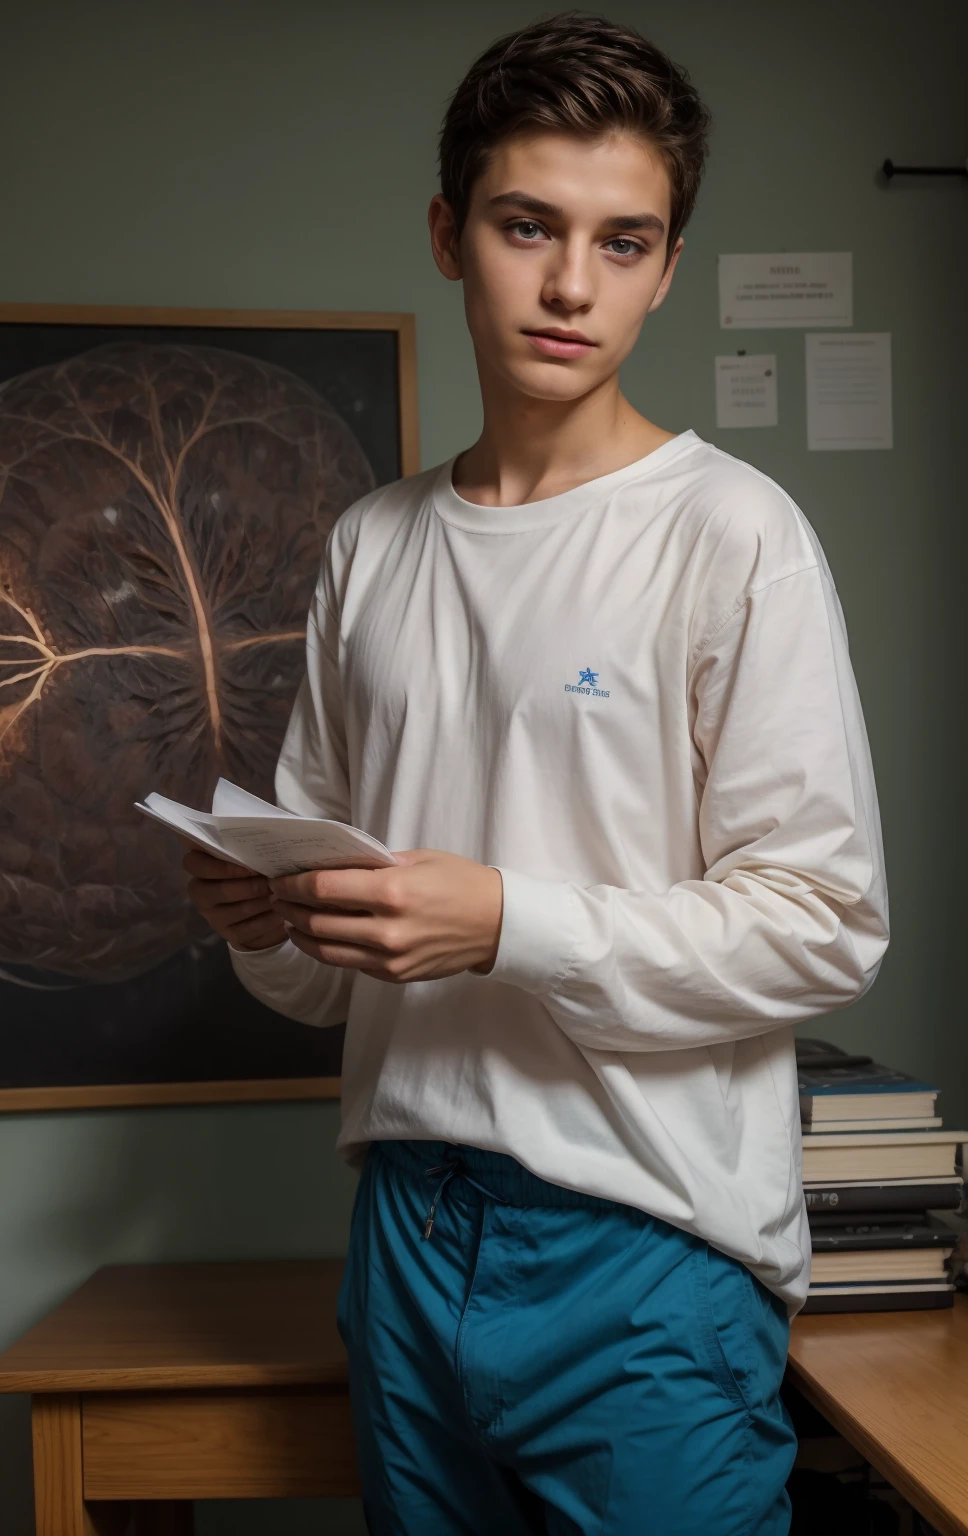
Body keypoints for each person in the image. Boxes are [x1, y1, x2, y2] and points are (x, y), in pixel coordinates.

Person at [184, 12, 889, 1533]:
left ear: (668, 265)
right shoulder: (372, 544)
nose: (574, 285)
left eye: (623, 242)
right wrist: (271, 922)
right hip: (404, 1228)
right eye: (529, 227)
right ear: (450, 236)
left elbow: (824, 920)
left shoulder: (732, 533)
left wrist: (507, 918)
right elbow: (326, 982)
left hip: (647, 1247)